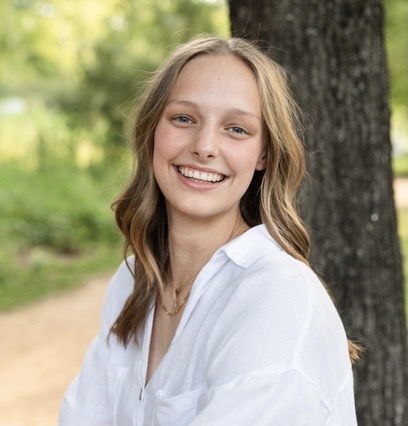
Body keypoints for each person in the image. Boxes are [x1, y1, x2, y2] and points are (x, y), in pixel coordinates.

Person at [59, 36, 359, 425]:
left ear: (264, 154)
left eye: (236, 129)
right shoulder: (133, 281)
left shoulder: (278, 296)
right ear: (152, 132)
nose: (204, 146)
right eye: (184, 118)